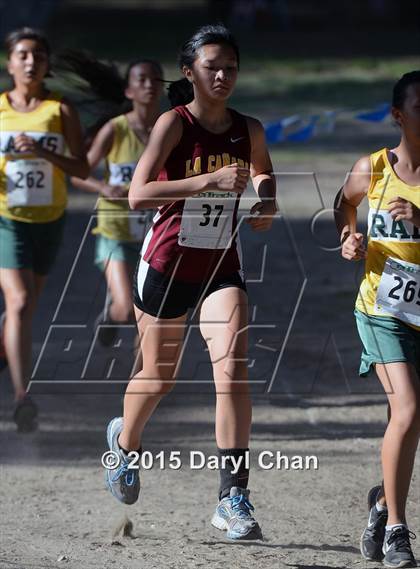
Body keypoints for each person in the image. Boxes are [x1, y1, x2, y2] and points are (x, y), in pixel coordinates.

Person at [104, 24, 277, 540]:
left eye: (230, 67)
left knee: (233, 372)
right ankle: (124, 445)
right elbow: (137, 194)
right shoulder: (173, 124)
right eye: (211, 67)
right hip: (167, 266)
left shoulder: (249, 129)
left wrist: (266, 199)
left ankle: (232, 497)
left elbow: (263, 173)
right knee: (160, 379)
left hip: (221, 266)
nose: (222, 75)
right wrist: (207, 181)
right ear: (190, 73)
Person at [335, 71, 420, 568]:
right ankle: (397, 530)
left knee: (405, 422)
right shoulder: (373, 167)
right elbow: (344, 204)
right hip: (382, 309)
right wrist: (349, 238)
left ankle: (382, 503)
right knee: (407, 409)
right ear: (398, 115)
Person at [0, 27, 88, 432]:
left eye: (38, 55)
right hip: (6, 219)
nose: (31, 62)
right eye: (22, 54)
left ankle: (7, 351)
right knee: (18, 303)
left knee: (28, 306)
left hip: (49, 220)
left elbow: (82, 168)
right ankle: (22, 396)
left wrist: (40, 152)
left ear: (47, 63)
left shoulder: (60, 109)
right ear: (9, 62)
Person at [70, 57, 164, 348]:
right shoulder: (115, 129)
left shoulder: (171, 128)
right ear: (129, 91)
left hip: (156, 236)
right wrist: (103, 186)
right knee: (125, 308)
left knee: (149, 315)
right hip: (116, 232)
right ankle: (111, 317)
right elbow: (78, 173)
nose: (149, 85)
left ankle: (143, 382)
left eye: (155, 80)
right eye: (141, 80)